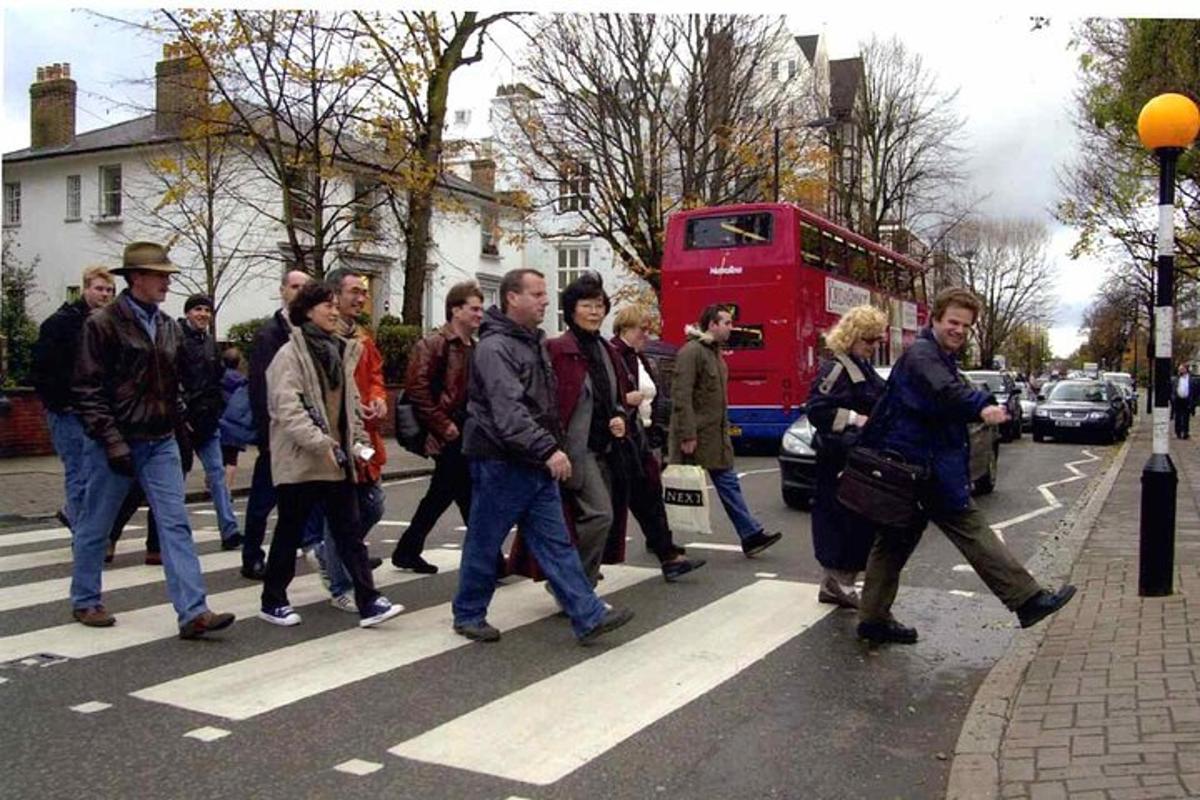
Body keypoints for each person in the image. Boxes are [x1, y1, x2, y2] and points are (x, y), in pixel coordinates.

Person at [856, 287, 1076, 645]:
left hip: (916, 465)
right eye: (953, 322)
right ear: (936, 319)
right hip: (921, 468)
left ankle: (873, 619)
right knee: (970, 528)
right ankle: (1028, 600)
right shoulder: (923, 356)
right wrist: (981, 406)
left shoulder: (938, 355)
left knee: (894, 541)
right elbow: (945, 392)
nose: (959, 330)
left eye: (966, 325)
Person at [451, 268, 634, 644]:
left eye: (544, 293)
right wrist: (548, 448)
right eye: (536, 294)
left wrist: (551, 447)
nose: (545, 300)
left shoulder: (530, 341)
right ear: (511, 298)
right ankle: (468, 613)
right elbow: (509, 412)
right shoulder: (495, 348)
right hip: (501, 461)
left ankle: (587, 614)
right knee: (486, 542)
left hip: (531, 462)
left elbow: (543, 405)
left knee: (558, 545)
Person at [70, 241, 235, 638]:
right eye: (160, 276)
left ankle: (193, 611)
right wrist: (112, 442)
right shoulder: (103, 324)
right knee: (96, 524)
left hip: (159, 438)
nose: (166, 283)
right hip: (117, 440)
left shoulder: (165, 326)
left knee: (175, 523)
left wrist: (182, 428)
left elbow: (174, 383)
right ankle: (85, 599)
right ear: (137, 278)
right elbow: (87, 390)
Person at [258, 281, 403, 629]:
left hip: (337, 461)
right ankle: (272, 600)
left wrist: (356, 442)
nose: (335, 311)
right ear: (308, 311)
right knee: (290, 532)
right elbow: (287, 409)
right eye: (327, 306)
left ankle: (369, 601)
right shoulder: (289, 356)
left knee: (350, 533)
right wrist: (323, 444)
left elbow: (348, 404)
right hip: (303, 460)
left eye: (335, 306)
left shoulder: (340, 351)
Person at [508, 272, 631, 587]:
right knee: (601, 515)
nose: (594, 311)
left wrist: (619, 414)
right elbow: (546, 401)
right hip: (574, 449)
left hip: (606, 448)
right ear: (571, 310)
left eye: (600, 305)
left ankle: (576, 583)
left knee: (597, 516)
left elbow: (616, 396)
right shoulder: (558, 349)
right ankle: (574, 584)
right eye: (587, 305)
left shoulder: (607, 350)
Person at [668, 304, 782, 557]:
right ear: (712, 325)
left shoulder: (715, 354)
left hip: (715, 436)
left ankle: (750, 535)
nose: (732, 327)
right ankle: (659, 537)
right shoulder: (691, 352)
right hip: (695, 436)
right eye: (727, 322)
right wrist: (687, 435)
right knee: (676, 486)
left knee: (728, 483)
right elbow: (681, 395)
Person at [309, 268, 389, 613]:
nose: (360, 298)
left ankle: (329, 555)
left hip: (362, 438)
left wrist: (378, 398)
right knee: (344, 511)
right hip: (335, 438)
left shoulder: (363, 338)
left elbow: (374, 377)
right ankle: (340, 582)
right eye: (354, 291)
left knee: (372, 503)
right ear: (334, 296)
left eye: (363, 291)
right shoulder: (318, 340)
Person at [391, 281, 484, 574]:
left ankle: (408, 549)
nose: (480, 314)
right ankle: (487, 561)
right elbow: (417, 389)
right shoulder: (434, 344)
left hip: (466, 429)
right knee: (464, 494)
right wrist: (442, 426)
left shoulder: (475, 347)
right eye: (474, 308)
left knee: (447, 492)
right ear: (456, 310)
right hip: (448, 431)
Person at [610, 305, 705, 581]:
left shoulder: (637, 356)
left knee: (649, 495)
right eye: (642, 329)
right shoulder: (616, 354)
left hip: (642, 434)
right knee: (615, 507)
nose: (646, 334)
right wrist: (625, 400)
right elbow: (608, 393)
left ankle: (667, 553)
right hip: (623, 438)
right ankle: (581, 568)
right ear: (627, 327)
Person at [805, 305, 888, 608]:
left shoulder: (860, 365)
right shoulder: (838, 368)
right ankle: (838, 582)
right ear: (852, 337)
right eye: (869, 340)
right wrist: (855, 418)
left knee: (855, 521)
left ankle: (839, 581)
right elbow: (817, 409)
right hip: (838, 458)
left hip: (856, 458)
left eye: (877, 340)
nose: (874, 346)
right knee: (841, 521)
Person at [241, 269, 320, 580]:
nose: (300, 292)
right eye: (295, 286)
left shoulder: (309, 331)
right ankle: (252, 556)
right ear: (283, 290)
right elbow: (261, 388)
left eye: (305, 287)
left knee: (308, 499)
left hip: (304, 430)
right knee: (263, 499)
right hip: (276, 432)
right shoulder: (269, 334)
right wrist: (266, 435)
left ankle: (317, 548)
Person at [31, 265, 116, 531]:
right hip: (67, 412)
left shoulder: (109, 323)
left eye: (109, 290)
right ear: (85, 288)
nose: (104, 294)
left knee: (98, 473)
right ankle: (82, 534)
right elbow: (41, 368)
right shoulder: (61, 323)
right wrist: (59, 401)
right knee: (78, 472)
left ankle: (75, 515)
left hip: (95, 411)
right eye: (99, 289)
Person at [177, 294, 242, 550]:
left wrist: (219, 412)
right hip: (183, 422)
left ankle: (229, 531)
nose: (203, 314)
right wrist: (181, 414)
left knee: (217, 475)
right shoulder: (177, 339)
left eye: (206, 310)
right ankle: (163, 538)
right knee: (175, 480)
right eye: (197, 309)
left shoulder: (210, 344)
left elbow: (217, 381)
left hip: (207, 421)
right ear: (188, 313)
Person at [218, 347, 254, 489]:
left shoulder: (219, 378)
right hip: (236, 423)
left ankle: (214, 485)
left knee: (217, 457)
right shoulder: (243, 382)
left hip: (220, 420)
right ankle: (226, 488)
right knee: (231, 460)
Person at [1172, 363, 1193, 440]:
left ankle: (1185, 432)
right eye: (1179, 369)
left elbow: (1193, 389)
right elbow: (1173, 388)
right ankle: (1178, 432)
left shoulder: (1190, 379)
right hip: (1178, 399)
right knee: (1178, 416)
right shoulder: (1176, 378)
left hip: (1187, 400)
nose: (1180, 370)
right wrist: (1173, 397)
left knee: (1186, 417)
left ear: (1186, 370)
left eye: (1182, 369)